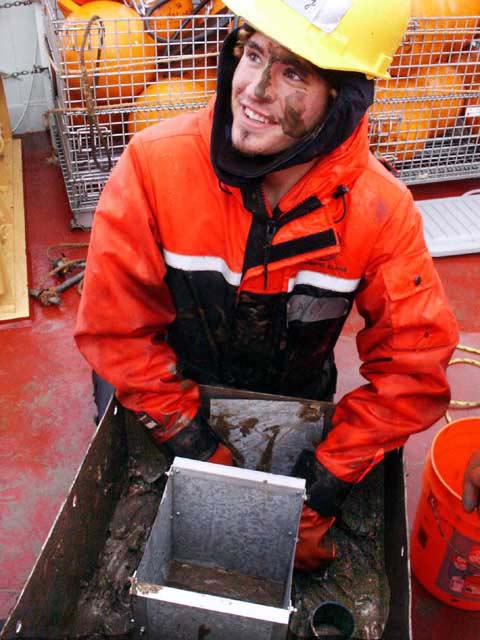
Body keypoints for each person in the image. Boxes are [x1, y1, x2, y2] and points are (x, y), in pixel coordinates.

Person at [75, 0, 459, 571]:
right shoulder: (154, 167)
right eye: (253, 54)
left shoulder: (379, 211)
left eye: (293, 72)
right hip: (163, 390)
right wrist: (196, 449)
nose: (253, 89)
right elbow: (117, 333)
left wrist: (322, 488)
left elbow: (413, 367)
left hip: (294, 396)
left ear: (343, 98)